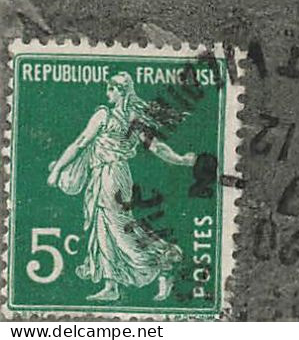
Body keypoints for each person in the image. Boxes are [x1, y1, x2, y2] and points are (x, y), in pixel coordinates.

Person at [46, 73, 196, 302]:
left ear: (120, 90)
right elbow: (158, 148)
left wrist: (57, 170)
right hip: (114, 175)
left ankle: (165, 260)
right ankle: (112, 285)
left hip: (110, 175)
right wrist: (181, 159)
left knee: (117, 228)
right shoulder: (134, 118)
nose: (108, 94)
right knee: (107, 227)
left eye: (110, 89)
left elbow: (80, 143)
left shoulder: (103, 115)